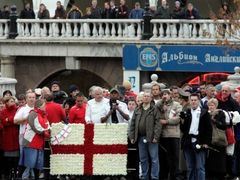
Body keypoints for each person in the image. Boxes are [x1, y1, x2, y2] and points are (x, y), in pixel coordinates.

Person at [129, 91, 161, 180]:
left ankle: (154, 177)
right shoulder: (137, 109)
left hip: (151, 138)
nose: (146, 97)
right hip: (140, 138)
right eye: (145, 96)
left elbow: (158, 124)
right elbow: (133, 124)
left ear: (151, 98)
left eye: (148, 96)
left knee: (154, 159)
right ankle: (145, 177)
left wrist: (156, 137)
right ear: (142, 98)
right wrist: (132, 137)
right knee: (143, 159)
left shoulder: (154, 109)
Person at [180, 93, 212, 180]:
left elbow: (209, 129)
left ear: (198, 101)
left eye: (195, 100)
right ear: (189, 101)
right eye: (192, 100)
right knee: (190, 167)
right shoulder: (187, 112)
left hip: (200, 141)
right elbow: (183, 129)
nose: (193, 102)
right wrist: (182, 121)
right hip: (188, 142)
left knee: (200, 167)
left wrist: (206, 142)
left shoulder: (204, 113)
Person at [156, 90, 182, 180]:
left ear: (170, 95)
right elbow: (155, 109)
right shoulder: (160, 104)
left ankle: (174, 177)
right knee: (163, 159)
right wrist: (162, 102)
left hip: (173, 135)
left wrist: (167, 121)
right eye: (163, 94)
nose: (165, 96)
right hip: (162, 136)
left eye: (166, 94)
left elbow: (179, 117)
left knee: (174, 158)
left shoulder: (176, 105)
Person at [22, 99, 50, 180]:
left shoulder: (43, 115)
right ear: (39, 106)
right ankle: (24, 178)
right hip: (31, 142)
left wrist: (49, 130)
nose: (45, 107)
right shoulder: (33, 114)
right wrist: (46, 132)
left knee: (37, 165)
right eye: (44, 105)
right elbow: (37, 128)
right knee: (29, 165)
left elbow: (47, 126)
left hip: (39, 143)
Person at [14, 91, 36, 179]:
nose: (31, 99)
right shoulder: (22, 109)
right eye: (30, 97)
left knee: (33, 156)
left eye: (33, 97)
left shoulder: (38, 109)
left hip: (35, 135)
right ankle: (25, 175)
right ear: (26, 99)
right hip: (24, 135)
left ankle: (31, 174)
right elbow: (15, 121)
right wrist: (26, 118)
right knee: (25, 156)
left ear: (35, 99)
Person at [206, 98, 227, 180]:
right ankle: (212, 175)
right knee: (211, 158)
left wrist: (214, 120)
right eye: (209, 105)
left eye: (212, 105)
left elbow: (223, 126)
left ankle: (220, 175)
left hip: (219, 140)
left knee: (220, 159)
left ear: (216, 105)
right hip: (210, 139)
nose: (211, 107)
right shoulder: (206, 113)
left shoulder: (220, 113)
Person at [1, 96, 19, 179]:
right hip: (7, 137)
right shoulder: (3, 111)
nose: (13, 103)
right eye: (11, 101)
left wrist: (9, 119)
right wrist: (12, 120)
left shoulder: (17, 110)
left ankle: (15, 173)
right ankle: (8, 173)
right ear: (7, 102)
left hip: (16, 136)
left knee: (16, 157)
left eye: (14, 101)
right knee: (7, 158)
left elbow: (17, 120)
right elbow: (4, 122)